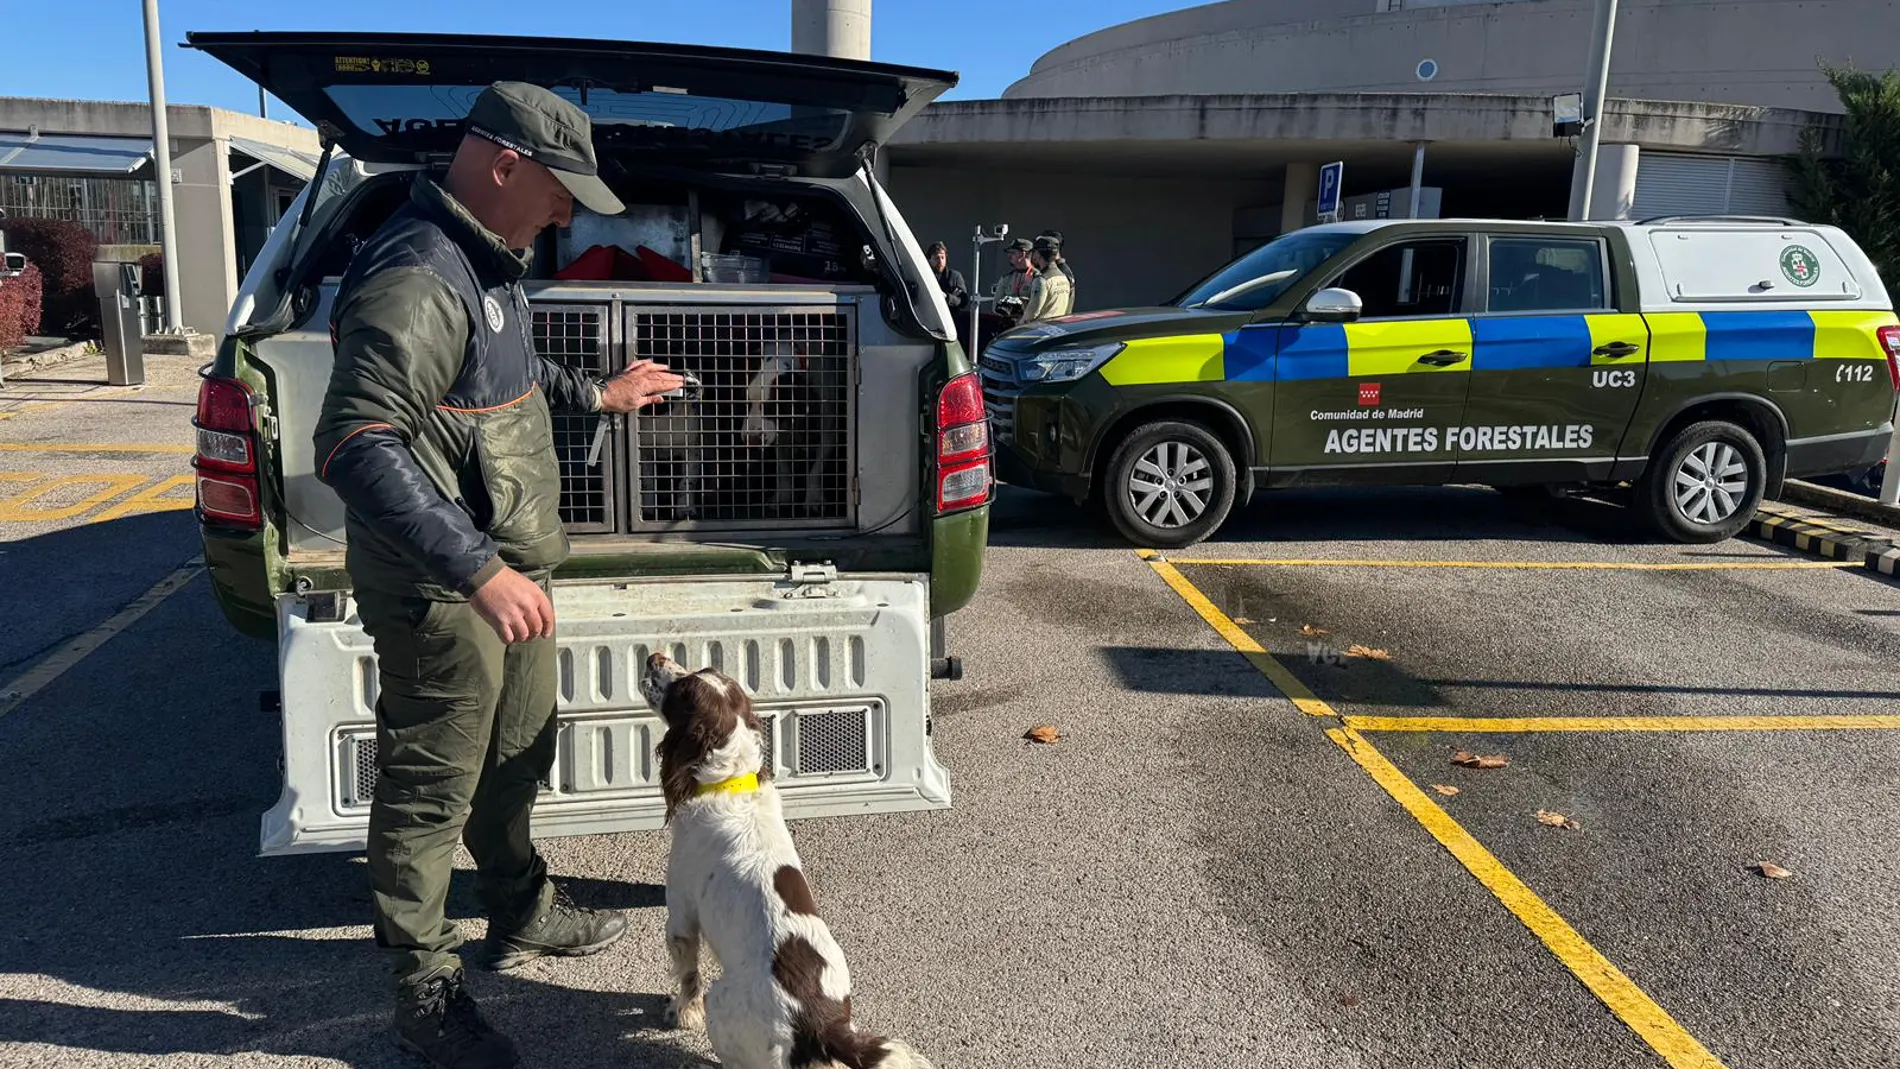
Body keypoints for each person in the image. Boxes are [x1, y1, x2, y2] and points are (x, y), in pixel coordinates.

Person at [313, 81, 685, 1069]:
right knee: (431, 785)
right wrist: (476, 568)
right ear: (503, 163)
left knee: (516, 754)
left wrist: (598, 394)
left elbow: (505, 382)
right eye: (562, 190)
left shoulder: (489, 263)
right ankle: (423, 994)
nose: (571, 212)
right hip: (446, 588)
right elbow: (354, 441)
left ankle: (519, 911)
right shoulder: (416, 275)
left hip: (506, 568)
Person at [1019, 236, 1075, 323]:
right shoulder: (1064, 278)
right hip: (1057, 328)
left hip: (1040, 330)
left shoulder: (1042, 280)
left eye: (1034, 252)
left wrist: (1019, 324)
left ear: (1038, 254)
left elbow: (1032, 313)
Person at [926, 240, 969, 312]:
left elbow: (964, 301)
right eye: (936, 258)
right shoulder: (926, 276)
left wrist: (947, 297)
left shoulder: (955, 276)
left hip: (950, 318)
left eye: (942, 257)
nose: (940, 261)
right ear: (929, 259)